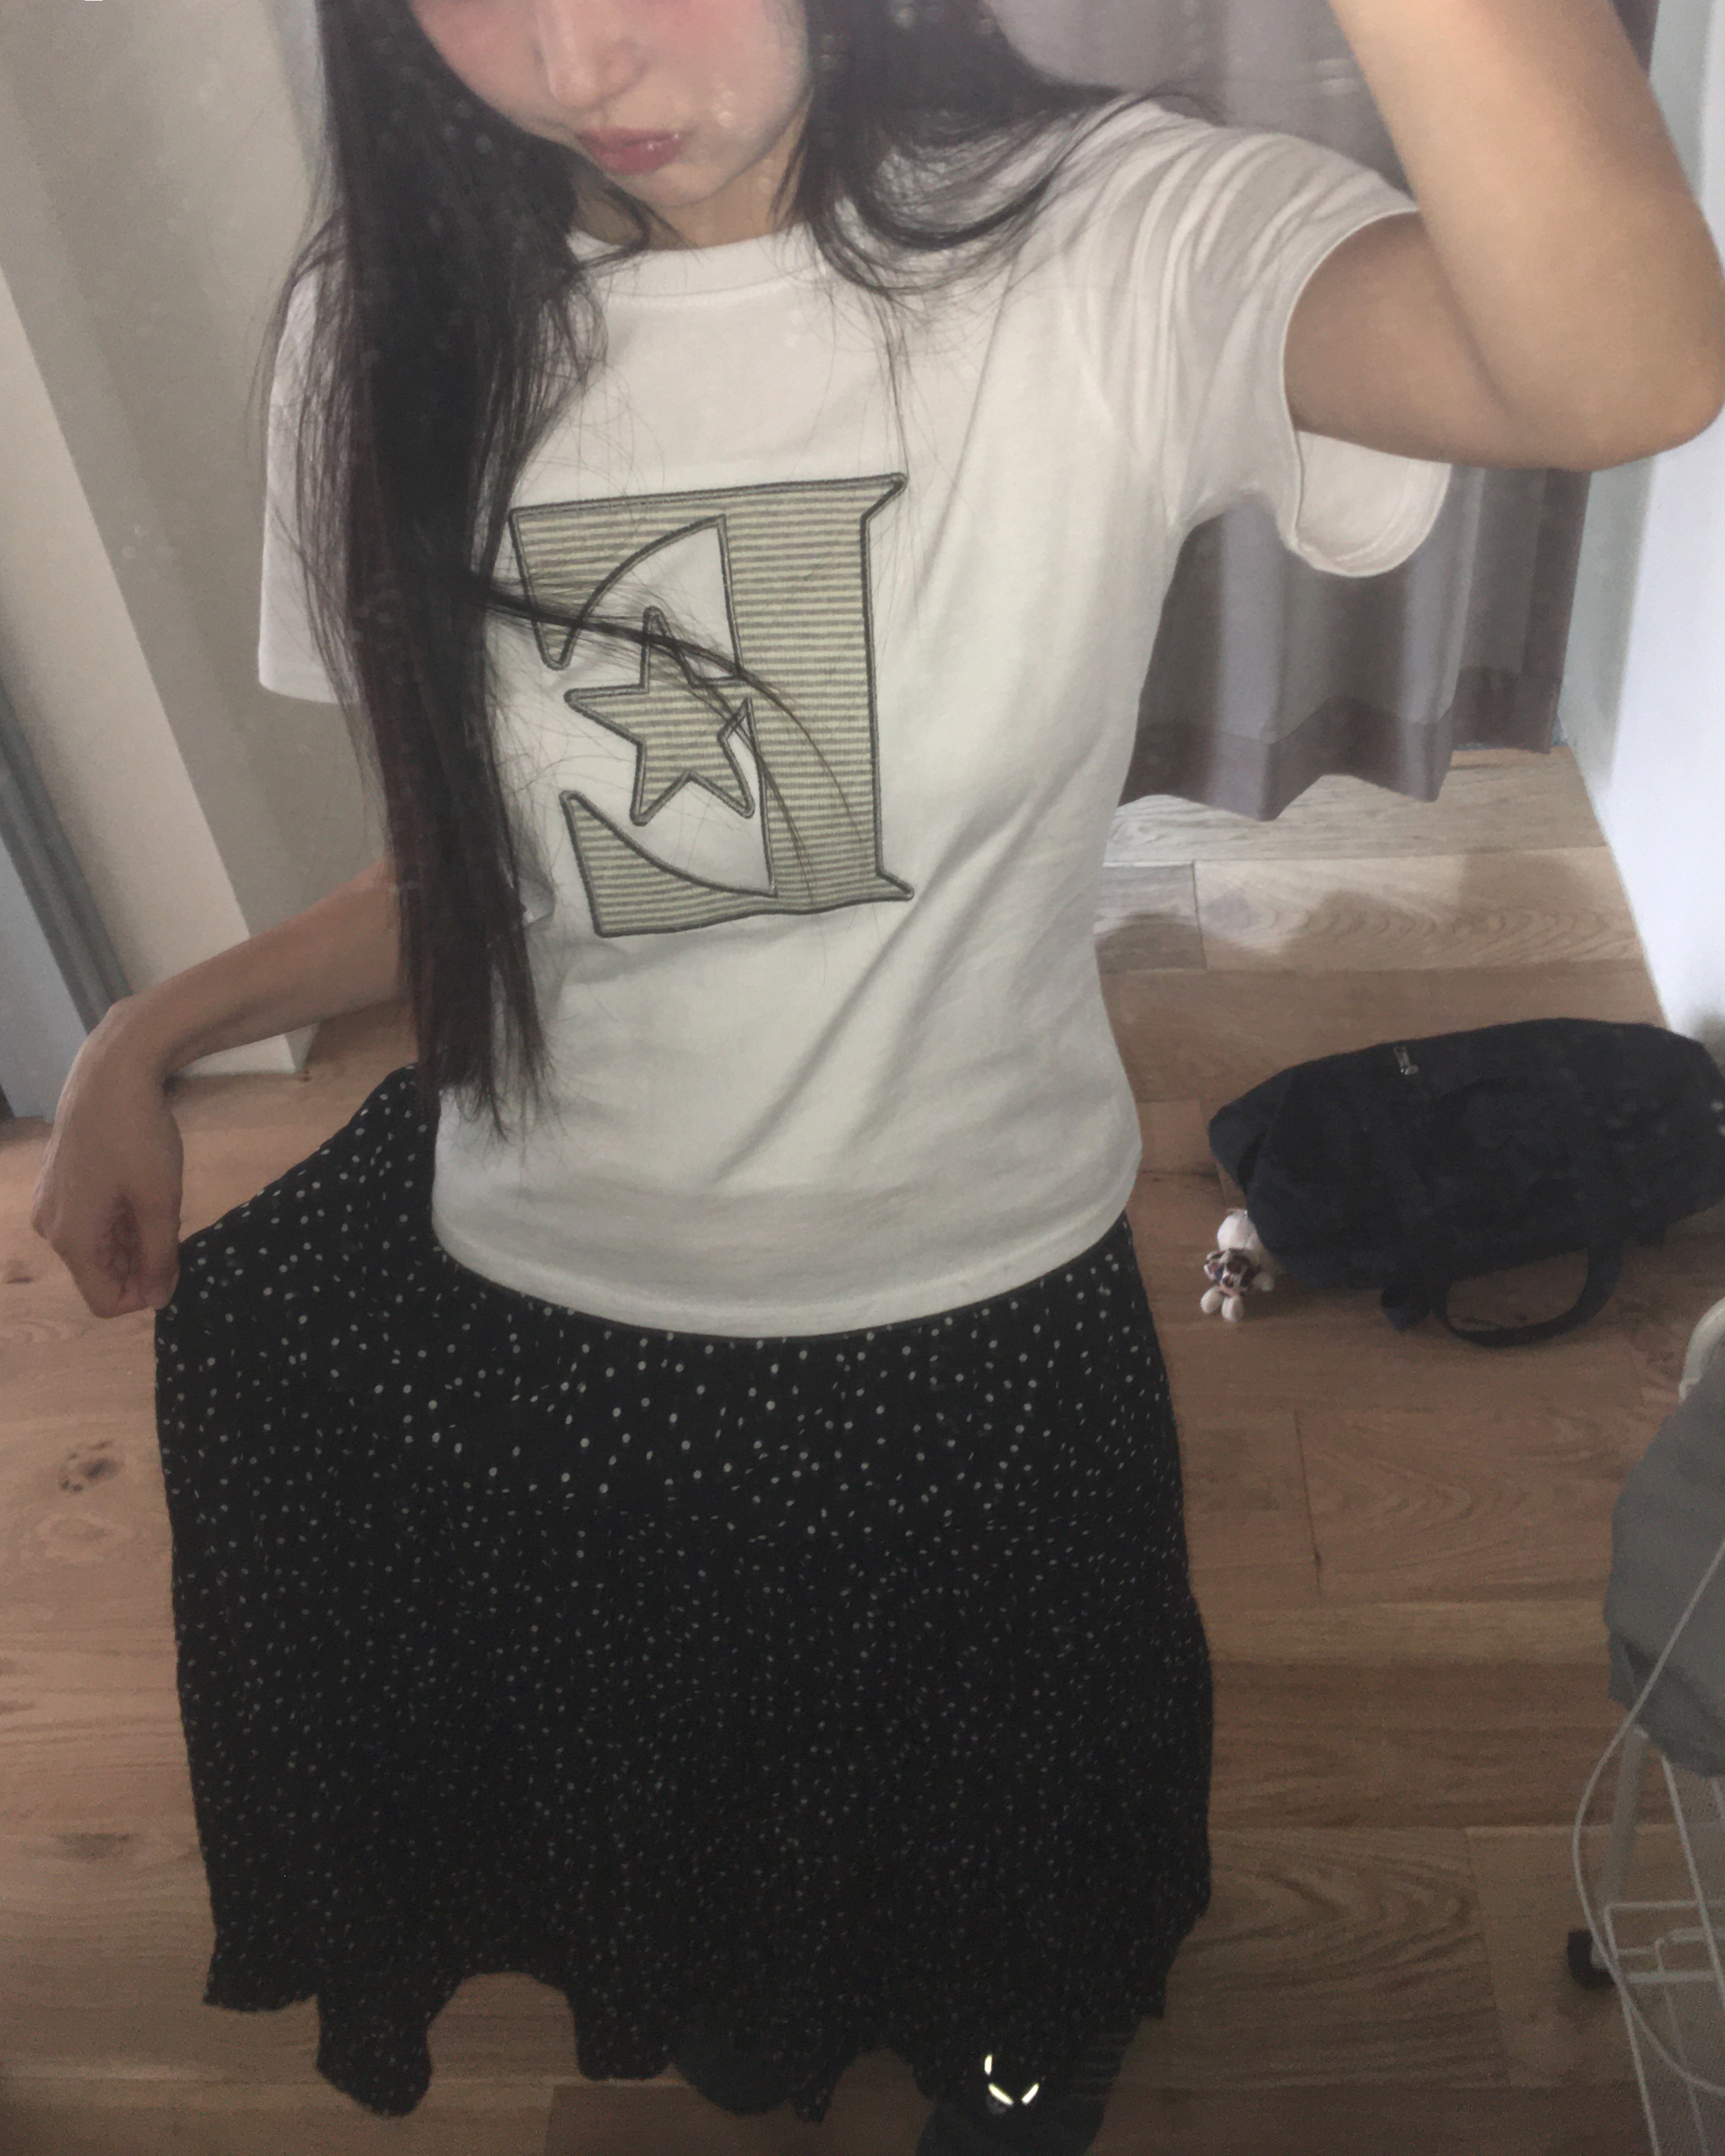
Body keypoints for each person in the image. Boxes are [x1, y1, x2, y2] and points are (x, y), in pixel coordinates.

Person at [30, 0, 1725, 2147]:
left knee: (1007, 1911)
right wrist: (145, 1030)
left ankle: (1008, 2069)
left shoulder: (1111, 238)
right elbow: (486, 876)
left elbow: (1613, 368)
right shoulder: (386, 322)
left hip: (964, 1324)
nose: (576, 58)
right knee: (728, 1858)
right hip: (547, 1310)